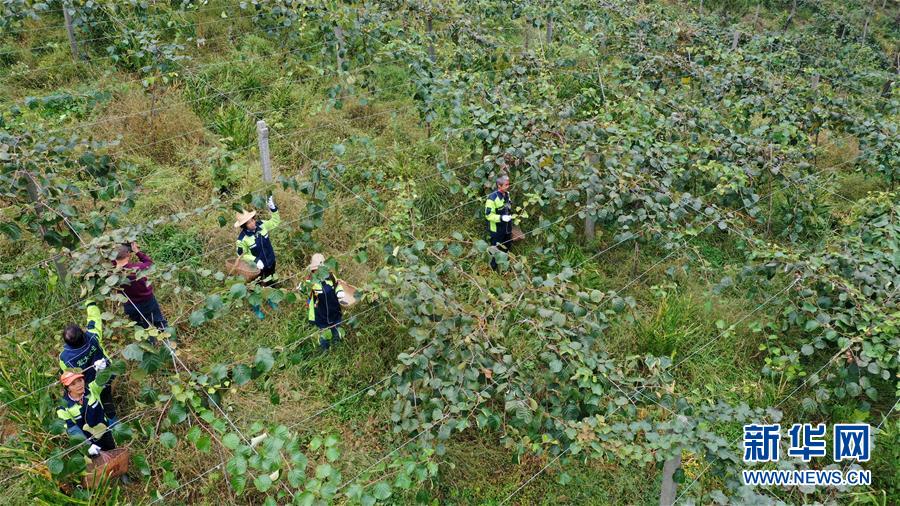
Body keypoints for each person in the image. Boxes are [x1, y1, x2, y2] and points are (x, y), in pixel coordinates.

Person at [59, 301, 117, 422]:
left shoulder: (65, 358)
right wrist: (91, 304)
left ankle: (107, 424)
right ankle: (113, 421)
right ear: (83, 333)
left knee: (100, 403)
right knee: (107, 398)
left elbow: (67, 374)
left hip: (90, 386)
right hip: (107, 372)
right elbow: (94, 320)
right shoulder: (92, 337)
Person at [235, 195, 281, 319]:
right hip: (256, 268)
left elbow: (275, 222)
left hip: (270, 261)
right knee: (256, 287)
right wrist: (254, 260)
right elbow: (241, 255)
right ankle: (256, 307)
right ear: (243, 226)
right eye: (248, 223)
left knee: (270, 281)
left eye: (252, 220)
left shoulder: (262, 225)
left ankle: (270, 299)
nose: (252, 223)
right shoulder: (242, 239)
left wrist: (273, 209)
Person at [57, 370, 116, 455]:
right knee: (99, 465)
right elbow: (72, 429)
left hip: (105, 432)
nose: (79, 385)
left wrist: (102, 370)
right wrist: (87, 445)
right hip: (88, 440)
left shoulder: (91, 389)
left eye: (80, 380)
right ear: (67, 388)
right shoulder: (63, 407)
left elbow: (104, 379)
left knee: (113, 455)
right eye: (73, 384)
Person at [115, 242, 167, 332]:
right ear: (128, 254)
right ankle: (167, 337)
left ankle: (150, 342)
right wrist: (137, 251)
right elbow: (149, 263)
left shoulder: (111, 272)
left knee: (142, 327)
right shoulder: (138, 268)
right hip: (148, 301)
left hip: (130, 305)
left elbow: (113, 261)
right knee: (158, 320)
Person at [305, 253, 347, 350]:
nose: (317, 271)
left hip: (334, 310)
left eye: (320, 269)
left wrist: (339, 293)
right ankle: (325, 349)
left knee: (336, 328)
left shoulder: (331, 277)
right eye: (315, 270)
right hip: (321, 313)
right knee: (324, 333)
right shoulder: (310, 281)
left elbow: (337, 285)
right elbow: (306, 292)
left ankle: (337, 345)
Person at [484, 174, 515, 271]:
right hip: (497, 230)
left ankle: (505, 268)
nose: (508, 186)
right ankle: (493, 269)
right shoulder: (492, 198)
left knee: (507, 248)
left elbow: (508, 208)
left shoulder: (507, 194)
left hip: (507, 229)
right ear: (499, 186)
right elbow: (488, 215)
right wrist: (502, 218)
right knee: (495, 250)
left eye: (508, 184)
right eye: (506, 185)